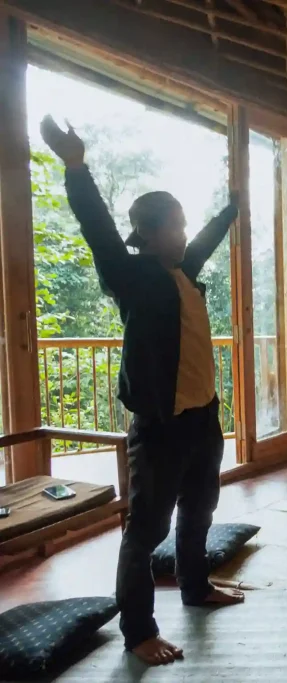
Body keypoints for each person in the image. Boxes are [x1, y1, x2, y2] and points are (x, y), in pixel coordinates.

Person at [40, 116, 245, 666]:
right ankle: (138, 631)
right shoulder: (132, 277)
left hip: (203, 419)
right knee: (146, 529)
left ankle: (197, 588)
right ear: (148, 237)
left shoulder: (184, 269)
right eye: (171, 228)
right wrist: (76, 166)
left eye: (182, 226)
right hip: (160, 428)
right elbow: (98, 228)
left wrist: (231, 205)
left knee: (199, 513)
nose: (182, 235)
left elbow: (205, 238)